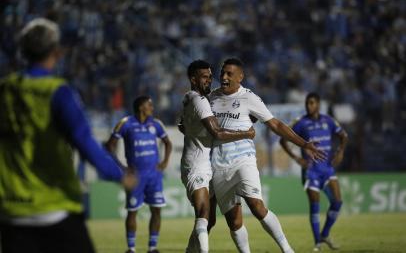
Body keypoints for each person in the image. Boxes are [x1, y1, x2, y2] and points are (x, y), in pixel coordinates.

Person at [0, 18, 137, 253]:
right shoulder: (58, 91)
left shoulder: (5, 88)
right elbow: (83, 139)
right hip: (55, 207)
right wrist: (118, 174)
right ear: (57, 52)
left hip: (12, 212)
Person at [208, 58, 326, 253]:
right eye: (222, 73)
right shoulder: (212, 98)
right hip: (218, 165)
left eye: (229, 73)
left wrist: (305, 144)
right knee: (234, 221)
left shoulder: (249, 98)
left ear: (240, 77)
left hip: (243, 160)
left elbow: (276, 125)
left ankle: (287, 249)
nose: (224, 77)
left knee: (256, 206)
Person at [180, 60, 255, 253]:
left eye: (210, 77)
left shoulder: (189, 98)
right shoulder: (200, 100)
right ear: (193, 79)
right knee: (203, 215)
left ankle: (190, 251)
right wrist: (246, 133)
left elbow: (183, 126)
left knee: (209, 219)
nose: (209, 81)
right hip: (196, 166)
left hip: (204, 164)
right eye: (204, 77)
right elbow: (218, 133)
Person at [279, 92, 348, 252]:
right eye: (307, 103)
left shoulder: (328, 121)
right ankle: (317, 243)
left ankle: (324, 234)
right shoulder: (301, 123)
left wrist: (340, 152)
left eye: (311, 103)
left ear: (318, 104)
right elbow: (283, 139)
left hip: (327, 169)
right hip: (311, 171)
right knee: (315, 206)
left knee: (337, 202)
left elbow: (344, 136)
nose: (308, 106)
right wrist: (296, 158)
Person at [106, 96, 172, 253]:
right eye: (149, 104)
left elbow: (168, 143)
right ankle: (131, 248)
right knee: (132, 210)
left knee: (156, 209)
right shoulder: (126, 123)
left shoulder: (156, 124)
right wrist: (121, 167)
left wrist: (164, 162)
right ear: (141, 107)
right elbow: (110, 146)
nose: (152, 107)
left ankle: (152, 247)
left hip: (154, 176)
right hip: (135, 177)